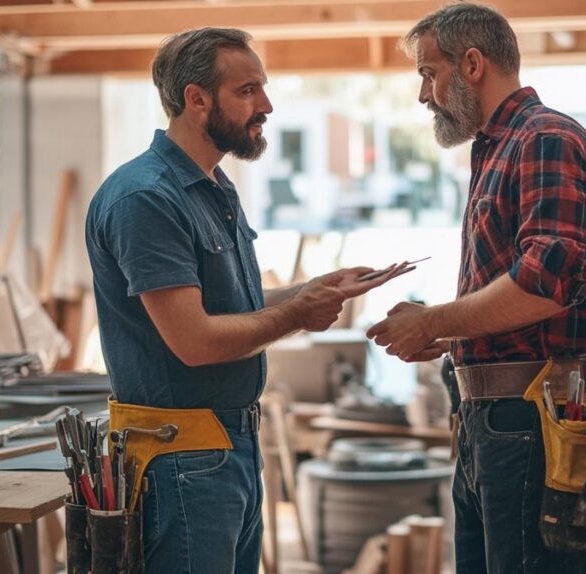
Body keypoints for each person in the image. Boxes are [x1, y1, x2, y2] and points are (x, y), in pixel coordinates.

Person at [86, 27, 404, 573]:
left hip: (227, 447)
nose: (267, 105)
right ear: (196, 98)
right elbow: (195, 341)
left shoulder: (212, 187)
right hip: (180, 458)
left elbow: (230, 307)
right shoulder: (147, 198)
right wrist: (298, 315)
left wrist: (310, 291)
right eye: (248, 91)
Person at [367, 4, 586, 573]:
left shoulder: (544, 140)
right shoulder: (501, 148)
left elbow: (546, 284)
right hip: (499, 419)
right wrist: (453, 335)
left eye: (428, 73)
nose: (424, 94)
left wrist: (436, 321)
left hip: (534, 424)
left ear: (473, 64)